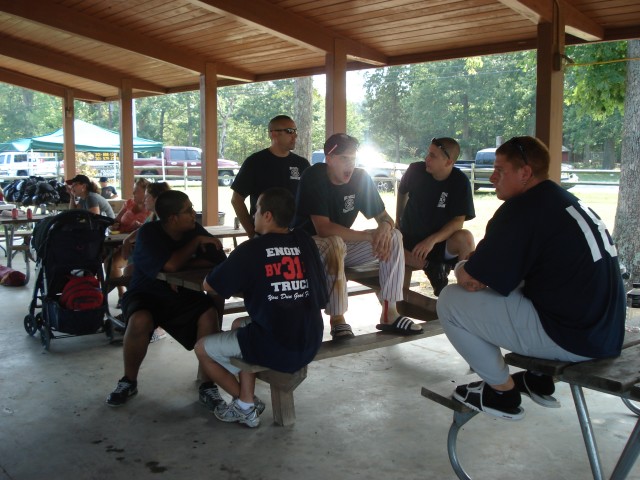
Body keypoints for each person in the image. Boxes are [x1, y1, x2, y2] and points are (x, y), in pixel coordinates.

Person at [437, 136, 625, 421]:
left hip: (576, 339)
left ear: (525, 173)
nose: (492, 176)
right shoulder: (564, 201)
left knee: (451, 300)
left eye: (501, 169)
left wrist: (461, 264)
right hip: (605, 332)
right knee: (520, 285)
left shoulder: (523, 208)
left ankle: (501, 392)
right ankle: (537, 378)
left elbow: (472, 281)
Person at [195, 187, 327, 428]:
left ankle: (245, 405)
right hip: (310, 340)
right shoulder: (304, 240)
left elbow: (209, 285)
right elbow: (320, 293)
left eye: (256, 210)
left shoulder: (251, 250)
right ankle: (246, 403)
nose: (253, 215)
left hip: (279, 346)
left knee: (202, 349)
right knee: (239, 325)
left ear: (267, 216)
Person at [106, 190, 227, 409]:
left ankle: (208, 384)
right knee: (140, 320)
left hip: (182, 295)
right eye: (188, 210)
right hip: (146, 292)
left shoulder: (193, 229)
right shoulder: (149, 234)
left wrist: (184, 262)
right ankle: (128, 381)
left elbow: (219, 260)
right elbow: (171, 266)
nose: (193, 214)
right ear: (173, 218)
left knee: (209, 314)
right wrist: (195, 246)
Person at [294, 133, 422, 339]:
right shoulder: (314, 176)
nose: (350, 165)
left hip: (339, 246)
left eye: (353, 159)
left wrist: (385, 228)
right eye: (344, 158)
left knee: (395, 237)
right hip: (306, 248)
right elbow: (323, 229)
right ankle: (338, 318)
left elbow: (385, 217)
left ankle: (390, 313)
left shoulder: (360, 178)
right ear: (329, 158)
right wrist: (368, 236)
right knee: (334, 242)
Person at [396, 137, 476, 296]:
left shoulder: (460, 182)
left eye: (433, 156)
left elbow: (458, 222)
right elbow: (402, 190)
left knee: (466, 237)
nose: (427, 158)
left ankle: (469, 292)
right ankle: (431, 267)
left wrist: (431, 240)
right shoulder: (415, 170)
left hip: (439, 243)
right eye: (428, 153)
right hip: (409, 242)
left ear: (448, 162)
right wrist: (398, 218)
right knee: (390, 239)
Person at [231, 115, 309, 238]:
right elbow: (237, 199)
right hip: (264, 235)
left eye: (295, 131)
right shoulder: (255, 162)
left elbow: (308, 200)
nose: (295, 135)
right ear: (273, 134)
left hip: (295, 234)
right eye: (289, 131)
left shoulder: (302, 164)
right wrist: (252, 233)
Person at [106, 178, 150, 307]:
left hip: (137, 246)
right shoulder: (129, 203)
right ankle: (121, 294)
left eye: (136, 191)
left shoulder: (151, 208)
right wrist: (113, 226)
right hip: (121, 242)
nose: (133, 194)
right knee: (110, 263)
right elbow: (116, 221)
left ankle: (126, 295)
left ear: (145, 193)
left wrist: (140, 226)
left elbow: (151, 227)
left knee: (126, 270)